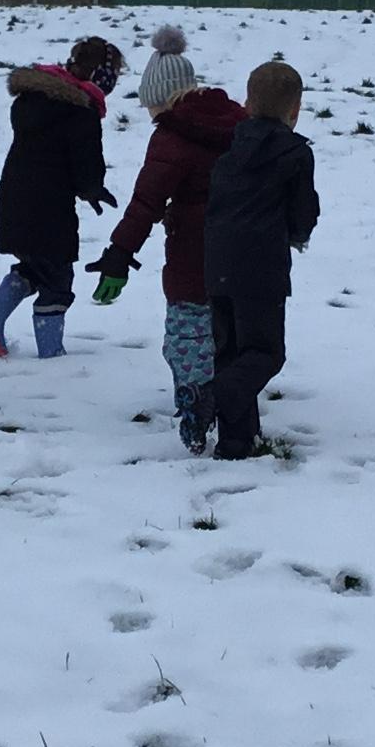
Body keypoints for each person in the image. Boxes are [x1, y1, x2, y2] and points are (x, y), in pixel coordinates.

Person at [92, 31, 245, 451]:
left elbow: (146, 202)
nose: (150, 114)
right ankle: (232, 397)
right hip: (243, 249)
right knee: (228, 328)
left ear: (163, 98)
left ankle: (196, 396)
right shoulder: (239, 123)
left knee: (187, 333)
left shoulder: (172, 136)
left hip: (192, 253)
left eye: (151, 106)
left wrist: (119, 253)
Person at [200, 59, 319, 460]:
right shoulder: (295, 154)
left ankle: (235, 441)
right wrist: (298, 234)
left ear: (247, 103)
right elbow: (303, 210)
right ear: (295, 110)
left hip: (217, 261)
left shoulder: (228, 146)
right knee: (266, 352)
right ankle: (213, 395)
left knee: (231, 351)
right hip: (261, 266)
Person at [0, 35, 119, 359]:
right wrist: (93, 189)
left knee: (34, 266)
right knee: (57, 279)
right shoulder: (80, 112)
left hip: (14, 200)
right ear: (101, 78)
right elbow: (85, 163)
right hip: (49, 210)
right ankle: (51, 354)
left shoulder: (33, 100)